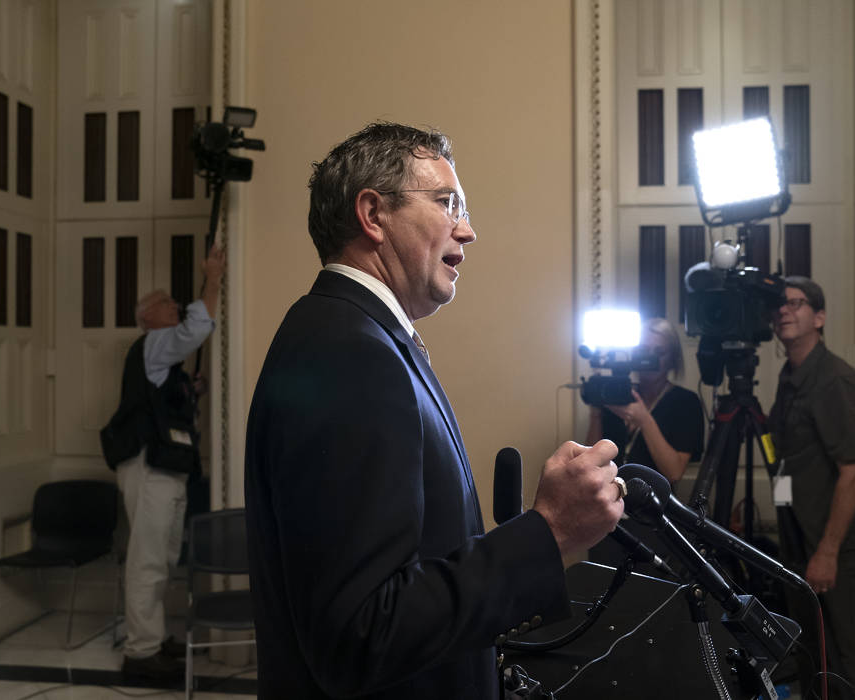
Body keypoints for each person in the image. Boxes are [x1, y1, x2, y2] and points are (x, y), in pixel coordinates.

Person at [244, 123, 625, 700]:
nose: (467, 230)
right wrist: (549, 532)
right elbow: (362, 635)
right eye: (448, 204)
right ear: (373, 214)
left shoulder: (356, 336)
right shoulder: (349, 353)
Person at [100, 244, 225, 681]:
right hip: (148, 467)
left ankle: (151, 638)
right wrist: (212, 279)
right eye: (166, 303)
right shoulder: (153, 343)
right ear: (147, 317)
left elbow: (166, 403)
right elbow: (197, 329)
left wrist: (190, 390)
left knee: (164, 556)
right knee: (148, 559)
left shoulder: (163, 362)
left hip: (166, 468)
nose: (174, 306)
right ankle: (140, 652)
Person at [767, 276, 855, 700]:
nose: (784, 311)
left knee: (848, 658)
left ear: (819, 317)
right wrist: (781, 520)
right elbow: (781, 461)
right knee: (812, 657)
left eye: (796, 304)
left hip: (837, 544)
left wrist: (829, 552)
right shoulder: (788, 378)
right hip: (801, 537)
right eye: (779, 305)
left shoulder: (835, 380)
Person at [585, 317, 704, 484]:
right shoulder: (618, 394)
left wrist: (645, 420)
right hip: (609, 500)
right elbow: (591, 465)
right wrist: (596, 414)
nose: (650, 359)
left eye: (660, 352)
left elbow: (674, 473)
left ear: (673, 359)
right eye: (643, 350)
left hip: (653, 504)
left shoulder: (685, 402)